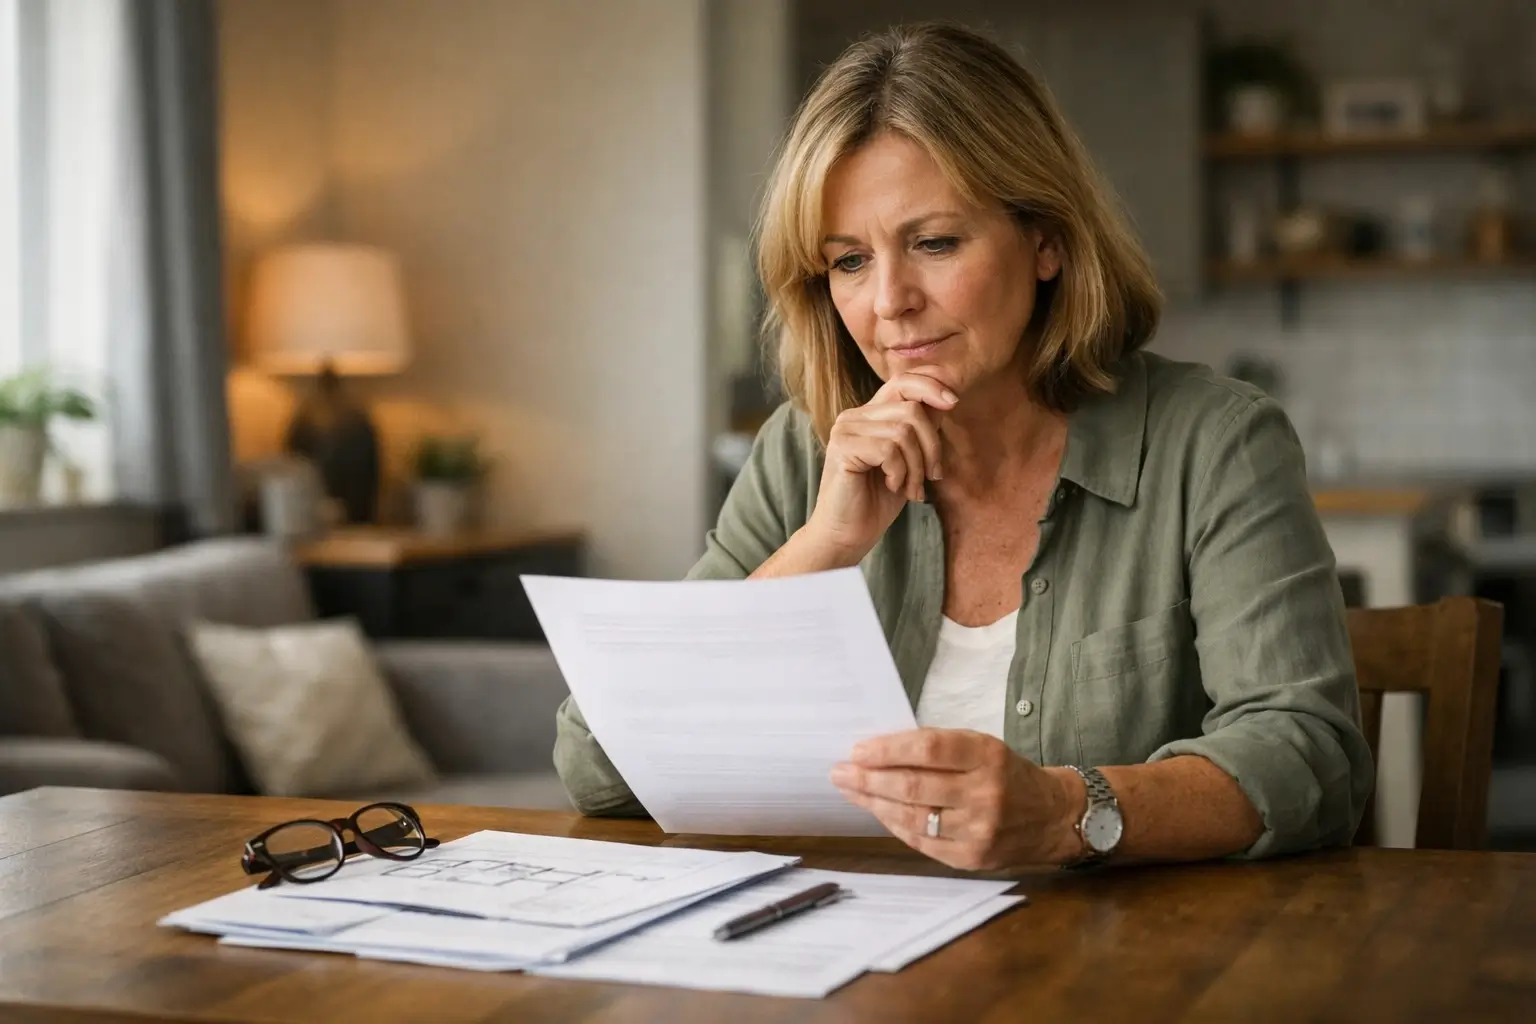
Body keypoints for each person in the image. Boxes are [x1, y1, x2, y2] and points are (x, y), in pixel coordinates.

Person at [555, 22, 1373, 870]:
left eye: (934, 243)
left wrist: (1065, 810)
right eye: (848, 262)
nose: (889, 302)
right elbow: (597, 769)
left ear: (1047, 240)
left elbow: (1311, 756)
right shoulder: (804, 451)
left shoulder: (1214, 441)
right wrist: (822, 548)